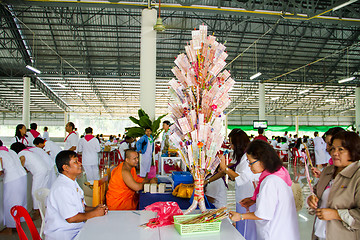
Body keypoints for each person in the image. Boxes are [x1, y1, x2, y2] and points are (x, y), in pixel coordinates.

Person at [229, 140, 300, 240]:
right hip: (284, 232)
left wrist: (240, 216)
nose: (249, 166)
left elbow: (263, 214)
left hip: (274, 234)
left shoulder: (269, 181)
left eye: (251, 162)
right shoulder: (279, 174)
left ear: (262, 160)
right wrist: (254, 200)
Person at [307, 131, 360, 240]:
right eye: (333, 148)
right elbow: (315, 193)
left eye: (341, 149)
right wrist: (310, 201)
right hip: (320, 235)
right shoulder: (327, 171)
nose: (335, 153)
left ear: (353, 150)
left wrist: (336, 214)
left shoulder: (357, 176)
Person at [44, 150, 108, 240]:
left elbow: (81, 207)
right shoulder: (62, 188)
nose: (80, 163)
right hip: (64, 235)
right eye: (75, 162)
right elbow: (71, 218)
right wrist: (95, 213)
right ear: (66, 167)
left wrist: (96, 208)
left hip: (76, 230)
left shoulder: (72, 182)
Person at [214, 129, 260, 239]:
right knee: (241, 223)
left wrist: (225, 169)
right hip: (242, 196)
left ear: (237, 144)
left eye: (231, 143)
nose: (230, 146)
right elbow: (233, 166)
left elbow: (241, 178)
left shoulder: (247, 158)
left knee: (247, 226)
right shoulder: (240, 156)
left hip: (248, 197)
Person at [10, 142, 50, 210]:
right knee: (43, 190)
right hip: (45, 169)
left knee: (35, 192)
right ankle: (45, 207)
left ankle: (37, 210)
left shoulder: (21, 154)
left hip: (39, 172)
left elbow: (20, 167)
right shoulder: (28, 152)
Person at [0, 140, 27, 229]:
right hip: (22, 176)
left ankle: (10, 228)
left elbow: (0, 171)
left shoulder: (0, 154)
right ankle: (18, 225)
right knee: (19, 202)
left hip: (12, 179)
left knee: (10, 203)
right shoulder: (9, 151)